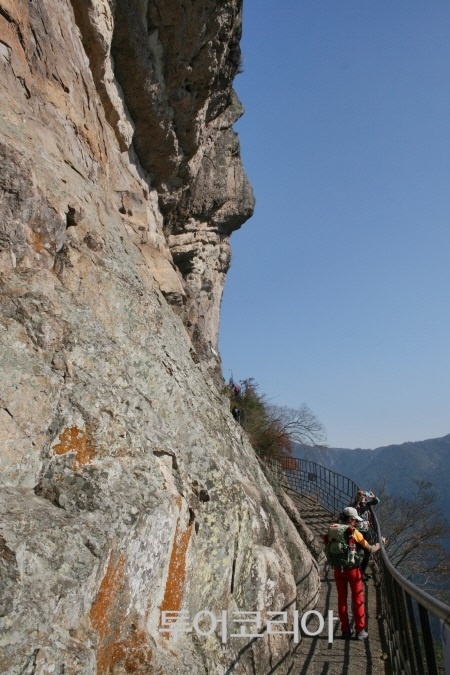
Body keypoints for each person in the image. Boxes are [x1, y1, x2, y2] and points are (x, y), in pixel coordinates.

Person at [326, 506, 382, 640]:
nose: (357, 523)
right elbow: (370, 548)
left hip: (338, 569)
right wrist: (381, 544)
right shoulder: (353, 532)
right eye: (355, 520)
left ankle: (345, 630)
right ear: (350, 519)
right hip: (352, 570)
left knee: (342, 599)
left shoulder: (333, 529)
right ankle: (360, 630)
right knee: (358, 599)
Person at [350, 490, 380, 580]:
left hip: (366, 532)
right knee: (357, 553)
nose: (364, 498)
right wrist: (358, 500)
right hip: (357, 532)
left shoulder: (367, 505)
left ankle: (361, 571)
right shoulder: (355, 505)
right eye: (362, 496)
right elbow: (354, 509)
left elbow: (377, 501)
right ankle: (356, 573)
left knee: (367, 553)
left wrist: (373, 497)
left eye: (364, 496)